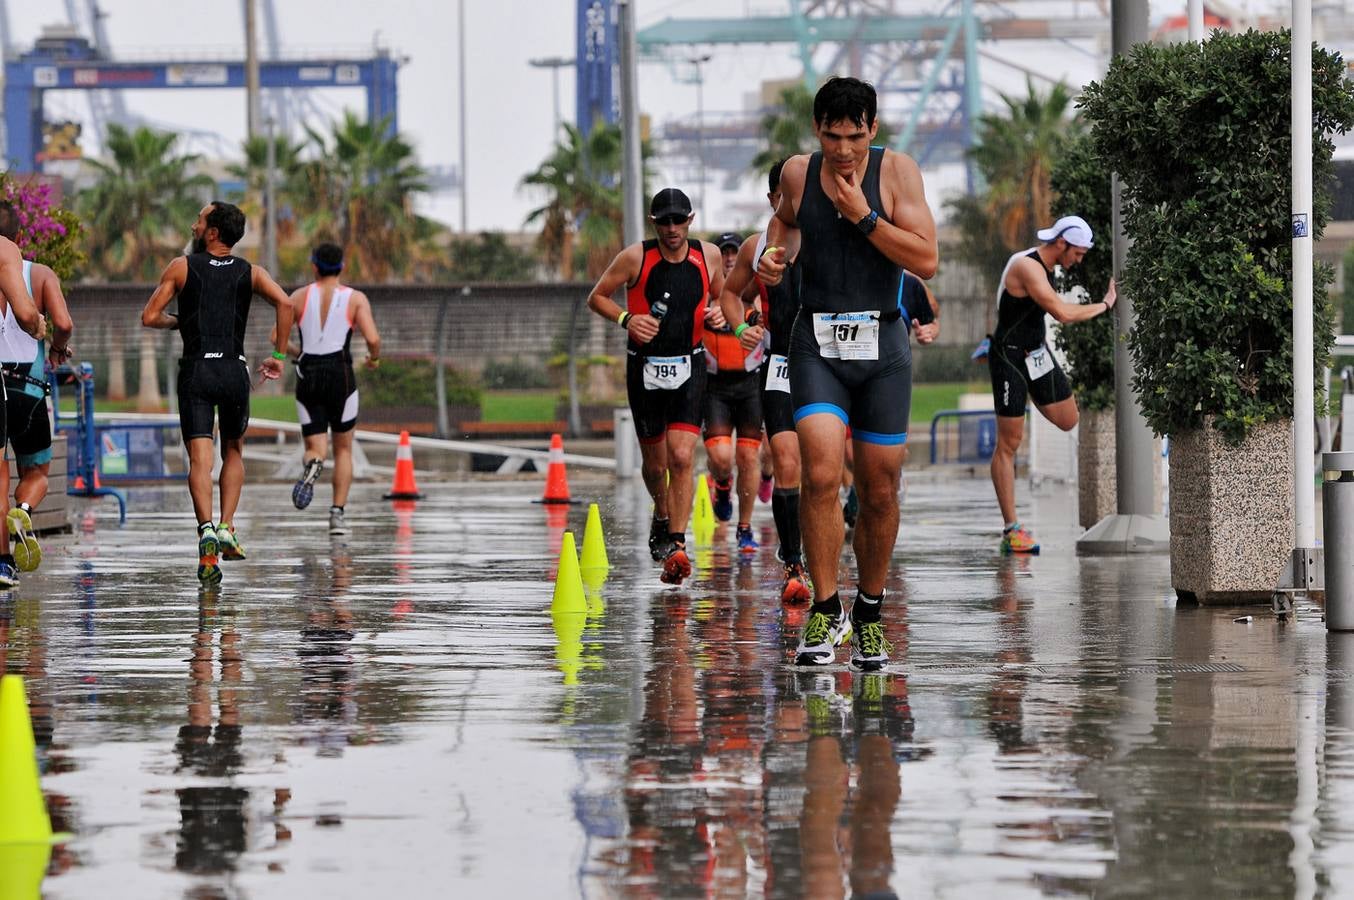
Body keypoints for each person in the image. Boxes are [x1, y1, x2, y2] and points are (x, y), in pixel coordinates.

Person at [757, 76, 938, 671]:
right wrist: (772, 256)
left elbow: (927, 260)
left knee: (881, 487)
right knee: (818, 471)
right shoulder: (795, 173)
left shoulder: (897, 173)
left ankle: (868, 613)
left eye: (854, 137)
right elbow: (783, 223)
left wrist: (863, 218)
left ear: (873, 130)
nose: (842, 150)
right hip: (817, 344)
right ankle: (825, 605)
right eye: (832, 136)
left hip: (882, 345)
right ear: (817, 130)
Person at [142, 201, 294, 585]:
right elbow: (286, 302)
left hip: (196, 371)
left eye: (199, 220)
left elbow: (149, 316)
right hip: (233, 370)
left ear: (212, 232)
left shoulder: (181, 267)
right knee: (233, 451)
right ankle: (227, 527)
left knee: (200, 458)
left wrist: (180, 322)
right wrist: (277, 356)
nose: (193, 225)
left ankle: (206, 530)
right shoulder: (251, 272)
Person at [587, 188, 725, 586]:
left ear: (690, 219)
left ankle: (677, 544)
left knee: (682, 457)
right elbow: (596, 297)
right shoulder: (636, 257)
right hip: (644, 367)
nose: (671, 229)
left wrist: (718, 314)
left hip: (690, 363)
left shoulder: (708, 255)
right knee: (655, 465)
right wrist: (627, 319)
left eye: (678, 220)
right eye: (663, 221)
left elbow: (723, 298)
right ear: (653, 223)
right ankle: (662, 511)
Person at [987, 214, 1115, 553]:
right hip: (1009, 358)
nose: (1079, 260)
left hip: (1036, 355)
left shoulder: (1051, 267)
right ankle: (1011, 530)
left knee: (1068, 419)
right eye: (1078, 253)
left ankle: (1021, 401)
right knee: (1010, 442)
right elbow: (1062, 313)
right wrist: (1105, 304)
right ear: (1062, 243)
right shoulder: (1027, 266)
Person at [719, 158, 810, 602]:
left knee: (828, 470)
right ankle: (793, 564)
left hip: (829, 362)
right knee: (787, 460)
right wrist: (742, 326)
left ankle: (821, 549)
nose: (791, 204)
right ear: (773, 199)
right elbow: (731, 295)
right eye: (783, 196)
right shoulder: (758, 246)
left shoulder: (825, 236)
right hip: (780, 363)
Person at [279, 243, 381, 536]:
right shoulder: (355, 299)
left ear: (314, 266)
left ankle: (313, 465)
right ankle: (337, 514)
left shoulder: (298, 297)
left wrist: (300, 353)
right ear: (342, 266)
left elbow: (278, 337)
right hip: (341, 375)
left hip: (308, 374)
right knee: (344, 448)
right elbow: (373, 338)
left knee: (316, 447)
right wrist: (374, 359)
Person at [0, 202, 74, 573]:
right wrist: (58, 348)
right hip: (28, 390)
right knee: (37, 472)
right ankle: (24, 510)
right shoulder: (41, 274)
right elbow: (63, 322)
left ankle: (2, 563)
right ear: (19, 238)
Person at [702, 231, 765, 554]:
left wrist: (756, 322)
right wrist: (704, 317)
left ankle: (744, 528)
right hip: (716, 388)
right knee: (722, 458)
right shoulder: (708, 299)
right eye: (724, 253)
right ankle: (723, 485)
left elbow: (766, 321)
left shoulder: (754, 295)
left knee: (749, 456)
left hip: (750, 384)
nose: (728, 258)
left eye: (734, 253)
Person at [0, 233, 45, 587]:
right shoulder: (10, 254)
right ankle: (3, 561)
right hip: (25, 382)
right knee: (23, 472)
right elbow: (31, 314)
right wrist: (41, 329)